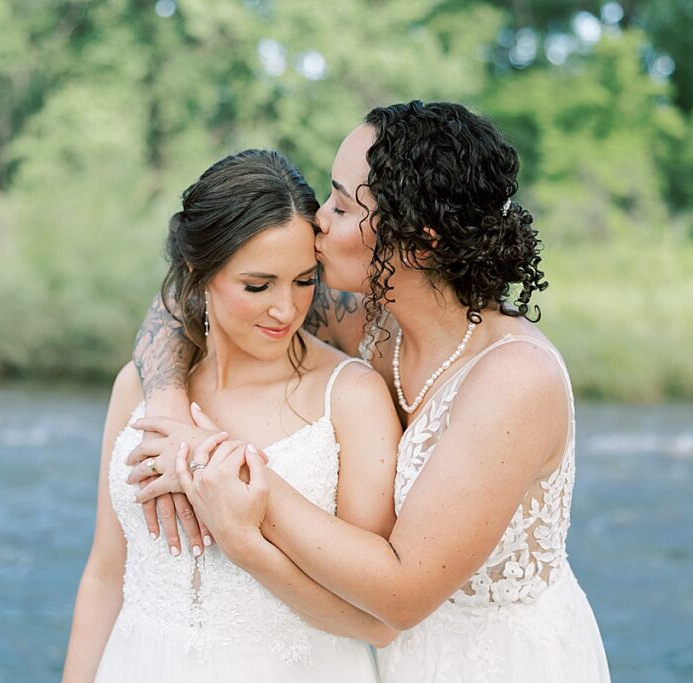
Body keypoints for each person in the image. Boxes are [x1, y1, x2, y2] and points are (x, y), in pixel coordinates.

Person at [130, 101, 611, 682]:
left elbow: (404, 593)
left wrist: (223, 468)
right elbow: (185, 298)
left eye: (340, 204)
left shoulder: (513, 380)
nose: (318, 223)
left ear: (420, 241)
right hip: (375, 656)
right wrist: (167, 410)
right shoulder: (370, 321)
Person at [61, 149, 401, 683]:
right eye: (257, 285)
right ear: (199, 273)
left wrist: (245, 536)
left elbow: (377, 620)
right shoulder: (139, 386)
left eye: (305, 281)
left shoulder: (350, 397)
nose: (286, 310)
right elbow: (106, 574)